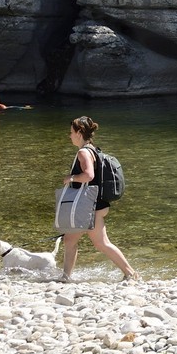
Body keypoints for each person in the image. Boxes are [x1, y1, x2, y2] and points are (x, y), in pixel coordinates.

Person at [60, 116, 139, 282]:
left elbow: (89, 175)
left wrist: (71, 178)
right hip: (95, 204)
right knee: (78, 240)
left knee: (86, 241)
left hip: (89, 206)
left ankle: (66, 277)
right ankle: (130, 274)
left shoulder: (83, 152)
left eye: (71, 132)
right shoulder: (93, 149)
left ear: (79, 133)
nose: (70, 135)